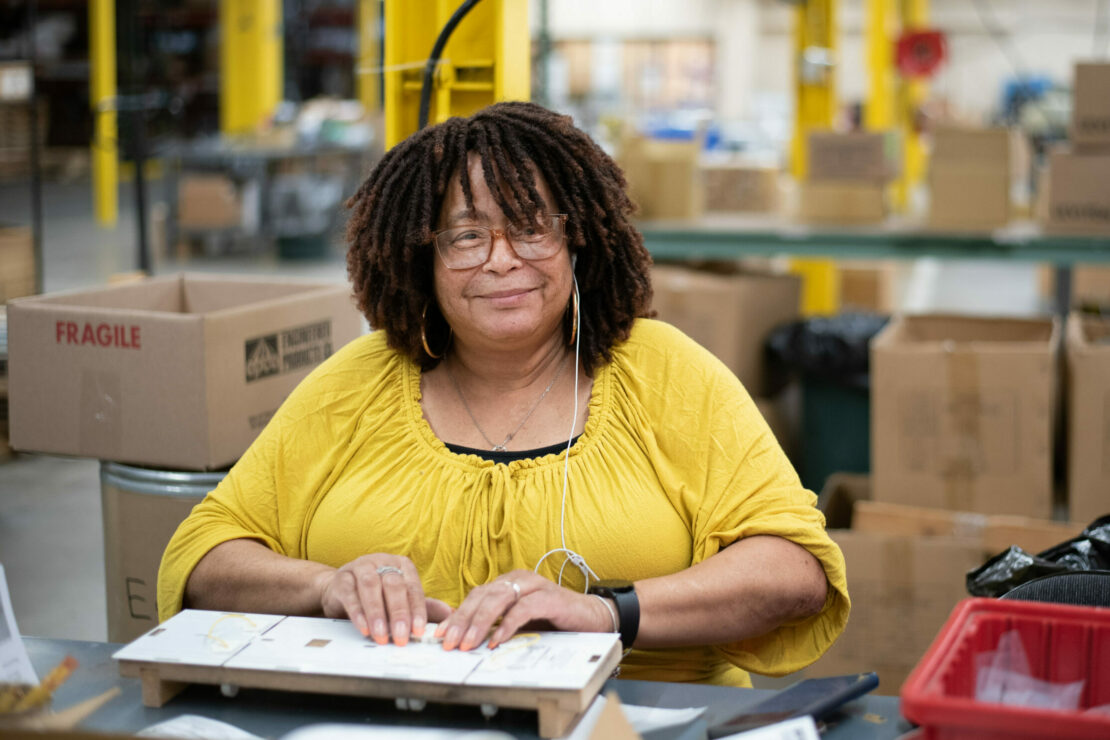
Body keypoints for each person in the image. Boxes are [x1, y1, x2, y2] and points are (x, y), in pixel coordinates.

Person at [159, 101, 848, 686]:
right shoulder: (354, 385)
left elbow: (793, 571)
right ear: (419, 259)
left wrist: (609, 613)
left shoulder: (666, 374)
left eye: (529, 227)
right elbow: (205, 555)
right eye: (464, 236)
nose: (500, 259)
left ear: (578, 238)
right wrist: (324, 586)